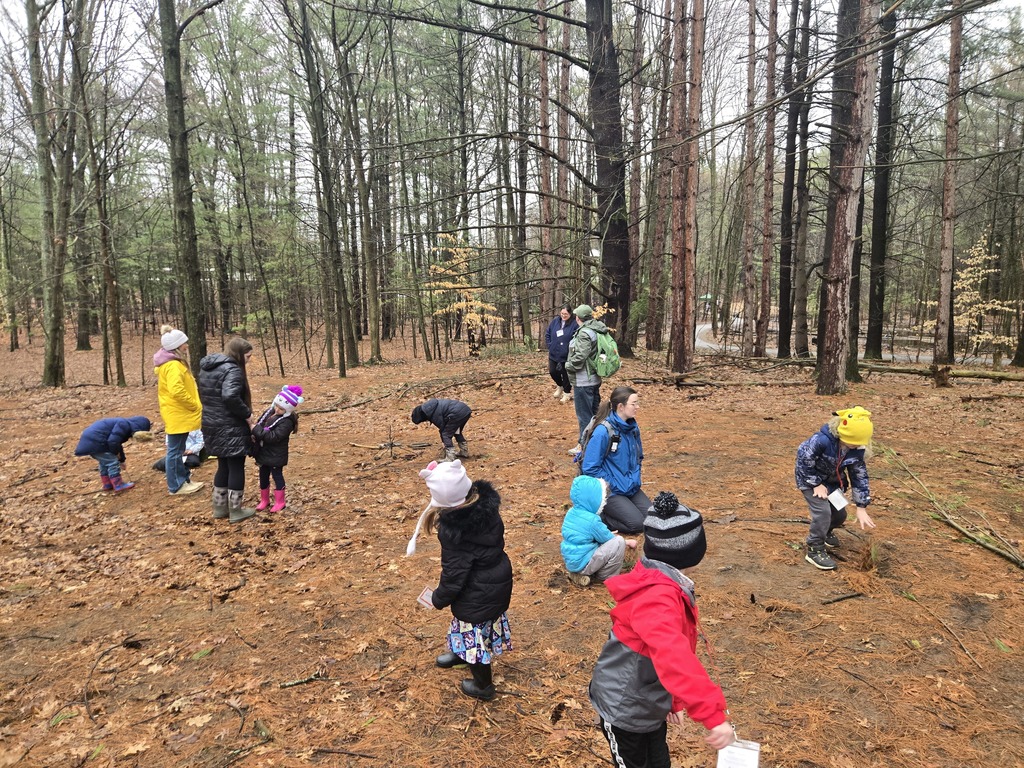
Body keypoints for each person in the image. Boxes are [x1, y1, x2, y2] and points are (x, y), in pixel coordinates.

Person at [589, 492, 735, 766]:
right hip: (624, 708)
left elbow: (673, 651)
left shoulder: (666, 582)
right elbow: (674, 656)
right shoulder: (657, 598)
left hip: (649, 702)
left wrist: (675, 700)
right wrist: (713, 717)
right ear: (691, 550)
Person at [406, 460, 513, 702]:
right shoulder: (484, 508)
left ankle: (483, 685)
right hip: (495, 580)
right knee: (471, 626)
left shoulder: (457, 531)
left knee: (472, 633)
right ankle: (460, 652)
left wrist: (437, 598)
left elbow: (455, 576)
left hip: (478, 590)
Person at [795, 406, 876, 570]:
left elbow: (859, 476)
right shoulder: (821, 440)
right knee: (823, 512)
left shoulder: (857, 450)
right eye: (851, 442)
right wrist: (815, 484)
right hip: (810, 479)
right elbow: (803, 461)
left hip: (831, 483)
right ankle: (814, 548)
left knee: (839, 515)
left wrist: (861, 506)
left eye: (858, 443)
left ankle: (826, 532)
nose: (854, 446)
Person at [198, 337, 256, 524]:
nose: (249, 359)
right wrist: (247, 414)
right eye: (248, 356)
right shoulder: (233, 370)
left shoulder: (209, 369)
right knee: (236, 466)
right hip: (230, 426)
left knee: (223, 465)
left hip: (211, 424)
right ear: (238, 354)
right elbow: (230, 396)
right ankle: (236, 511)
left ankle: (219, 508)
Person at [581, 386, 649, 535]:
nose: (637, 407)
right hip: (610, 491)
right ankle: (600, 518)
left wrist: (634, 479)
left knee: (652, 520)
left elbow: (639, 457)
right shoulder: (603, 431)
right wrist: (614, 484)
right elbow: (590, 468)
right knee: (637, 524)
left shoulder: (633, 428)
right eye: (634, 403)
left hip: (630, 486)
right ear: (621, 406)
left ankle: (625, 506)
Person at [154, 325, 205, 495]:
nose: (187, 346)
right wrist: (194, 404)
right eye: (184, 343)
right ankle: (176, 486)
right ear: (176, 346)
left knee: (178, 449)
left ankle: (184, 480)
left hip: (179, 413)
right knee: (175, 451)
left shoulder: (172, 364)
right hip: (178, 413)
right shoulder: (173, 366)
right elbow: (177, 391)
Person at [561, 475, 637, 587]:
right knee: (619, 542)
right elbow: (609, 539)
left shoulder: (571, 512)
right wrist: (628, 542)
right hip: (584, 562)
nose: (605, 501)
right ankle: (605, 577)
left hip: (572, 561)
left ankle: (578, 574)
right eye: (603, 498)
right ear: (593, 499)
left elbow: (583, 534)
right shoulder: (592, 520)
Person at [564, 304, 609, 454]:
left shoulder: (584, 333)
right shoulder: (596, 329)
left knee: (585, 415)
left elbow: (580, 356)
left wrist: (568, 365)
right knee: (596, 414)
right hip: (594, 379)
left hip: (584, 380)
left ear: (578, 318)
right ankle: (600, 442)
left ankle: (583, 445)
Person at [251, 385, 303, 513]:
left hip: (276, 454)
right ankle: (264, 499)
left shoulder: (287, 422)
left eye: (281, 408)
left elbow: (273, 437)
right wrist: (255, 432)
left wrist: (255, 430)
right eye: (276, 406)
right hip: (263, 452)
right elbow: (260, 423)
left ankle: (280, 501)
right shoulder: (270, 412)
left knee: (277, 476)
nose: (277, 409)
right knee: (263, 476)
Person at [74, 416, 152, 493]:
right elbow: (113, 442)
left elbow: (117, 443)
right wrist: (116, 456)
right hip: (96, 441)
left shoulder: (124, 424)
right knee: (112, 462)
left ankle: (107, 483)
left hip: (91, 442)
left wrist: (121, 460)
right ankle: (118, 485)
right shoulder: (123, 425)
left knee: (104, 462)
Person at [411, 398, 472, 462]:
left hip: (456, 413)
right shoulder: (431, 407)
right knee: (457, 432)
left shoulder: (433, 413)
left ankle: (450, 457)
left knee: (446, 434)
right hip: (465, 411)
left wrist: (445, 443)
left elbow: (442, 429)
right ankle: (464, 452)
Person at [545, 304, 578, 404]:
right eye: (562, 313)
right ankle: (560, 385)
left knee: (566, 373)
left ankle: (567, 393)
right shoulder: (555, 321)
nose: (563, 316)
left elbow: (576, 337)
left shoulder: (574, 323)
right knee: (553, 371)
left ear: (570, 313)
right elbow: (548, 333)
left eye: (566, 314)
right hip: (554, 352)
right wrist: (550, 345)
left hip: (567, 354)